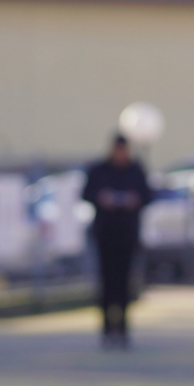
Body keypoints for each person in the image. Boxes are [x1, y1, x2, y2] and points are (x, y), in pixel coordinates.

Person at [82, 133, 151, 349]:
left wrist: (134, 200)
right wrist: (103, 198)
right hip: (105, 235)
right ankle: (106, 330)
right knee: (106, 284)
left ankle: (122, 329)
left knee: (124, 284)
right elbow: (87, 194)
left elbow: (148, 195)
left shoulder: (135, 170)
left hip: (127, 235)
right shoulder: (99, 170)